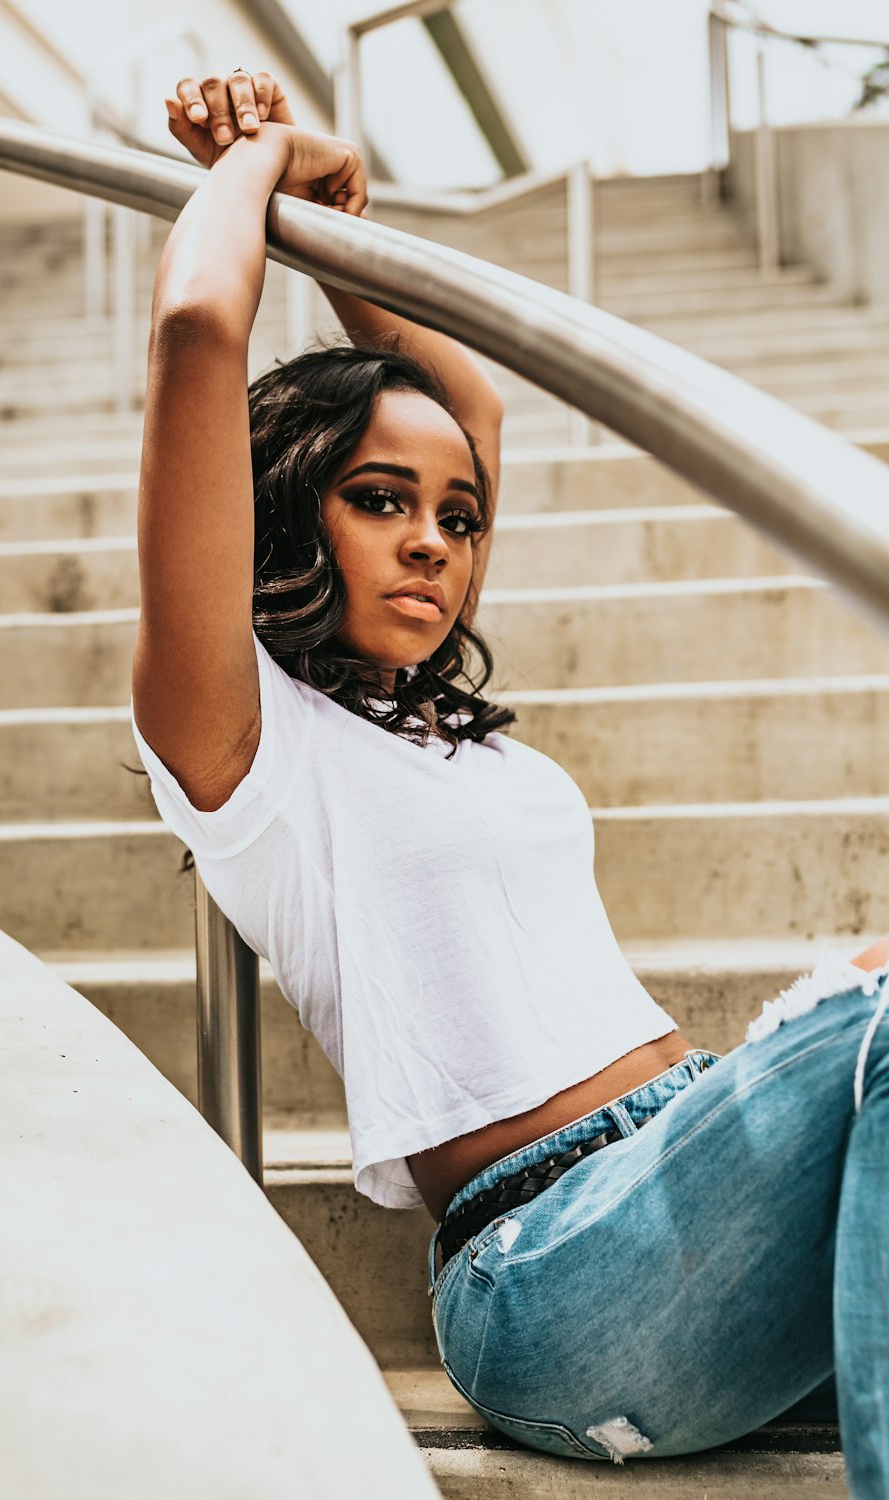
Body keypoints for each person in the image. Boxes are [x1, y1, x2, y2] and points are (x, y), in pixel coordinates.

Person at [131, 68, 889, 1497]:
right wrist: (264, 164)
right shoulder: (253, 749)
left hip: (692, 1167)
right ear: (294, 506)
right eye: (378, 500)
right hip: (551, 1266)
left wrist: (346, 210)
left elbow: (465, 401)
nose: (433, 540)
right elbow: (193, 325)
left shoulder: (449, 735)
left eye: (456, 518)